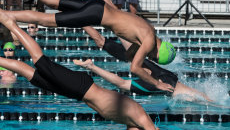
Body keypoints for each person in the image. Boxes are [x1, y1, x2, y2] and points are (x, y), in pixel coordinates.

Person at [0, 11, 199, 130]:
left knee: (31, 74)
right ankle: (12, 25)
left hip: (77, 92)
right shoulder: (140, 117)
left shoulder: (137, 121)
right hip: (81, 88)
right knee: (40, 62)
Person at [2, 0, 177, 93]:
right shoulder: (147, 43)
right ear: (157, 53)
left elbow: (130, 52)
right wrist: (157, 83)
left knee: (53, 1)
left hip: (98, 5)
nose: (149, 57)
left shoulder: (149, 30)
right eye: (152, 57)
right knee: (47, 20)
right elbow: (135, 68)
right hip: (97, 14)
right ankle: (5, 14)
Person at [81, 26, 211, 101]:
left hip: (167, 80)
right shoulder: (153, 79)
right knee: (104, 41)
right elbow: (121, 83)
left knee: (104, 41)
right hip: (165, 86)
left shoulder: (140, 60)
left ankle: (91, 17)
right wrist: (92, 67)